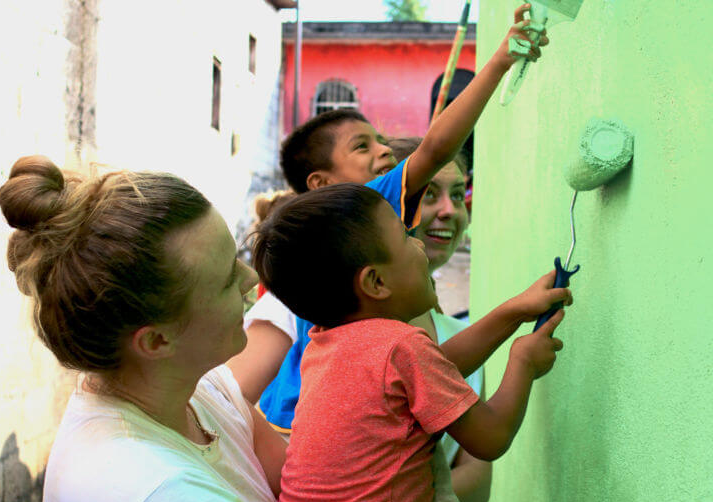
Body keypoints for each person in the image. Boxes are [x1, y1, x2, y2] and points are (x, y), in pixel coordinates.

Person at [227, 4, 550, 433]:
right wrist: (499, 61)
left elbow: (432, 370)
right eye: (363, 147)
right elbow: (435, 149)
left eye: (381, 141)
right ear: (321, 184)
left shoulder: (359, 296)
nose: (383, 151)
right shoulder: (358, 213)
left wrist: (514, 311)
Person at [250, 184, 570, 502]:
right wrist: (523, 362)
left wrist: (515, 310)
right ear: (376, 282)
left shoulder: (324, 345)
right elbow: (490, 436)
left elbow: (436, 370)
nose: (418, 244)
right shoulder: (401, 347)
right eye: (405, 237)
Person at [0, 156, 288, 502]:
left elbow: (301, 481)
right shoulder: (160, 498)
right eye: (226, 280)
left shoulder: (195, 386)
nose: (250, 279)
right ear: (156, 340)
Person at [390, 138, 489, 502]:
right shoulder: (325, 323)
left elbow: (478, 480)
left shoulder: (462, 335)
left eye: (458, 194)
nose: (450, 210)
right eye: (429, 194)